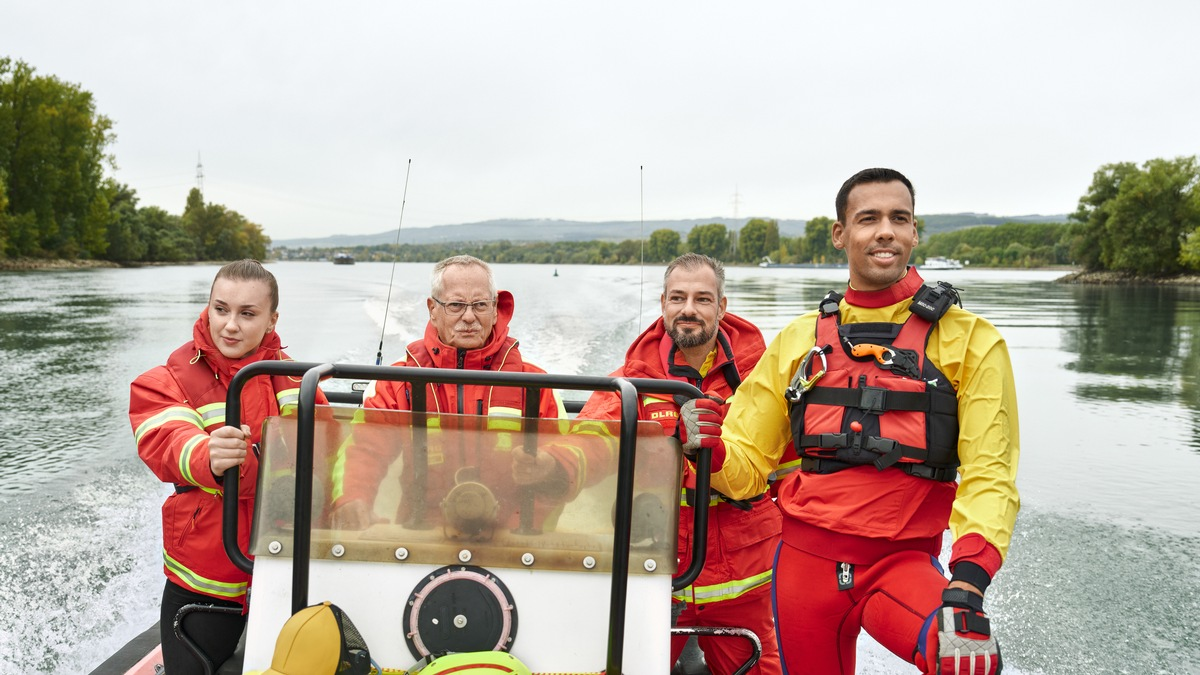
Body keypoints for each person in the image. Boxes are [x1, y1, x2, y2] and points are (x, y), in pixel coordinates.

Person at [683, 168, 1018, 675]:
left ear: (913, 233)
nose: (885, 230)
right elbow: (747, 462)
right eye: (869, 218)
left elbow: (991, 473)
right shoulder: (799, 340)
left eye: (898, 218)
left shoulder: (972, 340)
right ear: (840, 234)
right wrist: (710, 449)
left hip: (900, 563)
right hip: (804, 566)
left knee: (967, 658)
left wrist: (969, 579)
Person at [578, 253, 783, 675]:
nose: (688, 309)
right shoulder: (632, 380)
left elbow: (792, 471)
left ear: (722, 308)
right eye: (678, 297)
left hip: (742, 580)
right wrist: (556, 467)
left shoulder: (762, 381)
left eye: (702, 299)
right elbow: (587, 442)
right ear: (663, 304)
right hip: (650, 574)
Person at [130, 260, 321, 675]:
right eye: (221, 309)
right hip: (205, 579)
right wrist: (207, 456)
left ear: (272, 320)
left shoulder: (301, 383)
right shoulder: (164, 380)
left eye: (247, 314)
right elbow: (164, 443)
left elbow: (333, 459)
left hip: (288, 570)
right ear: (208, 307)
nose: (230, 325)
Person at [330, 255, 578, 533]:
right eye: (456, 305)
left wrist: (515, 535)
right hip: (419, 536)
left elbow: (561, 469)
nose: (469, 316)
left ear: (495, 310)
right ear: (433, 309)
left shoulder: (536, 387)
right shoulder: (396, 382)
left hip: (512, 542)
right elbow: (365, 450)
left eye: (480, 305)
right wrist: (352, 499)